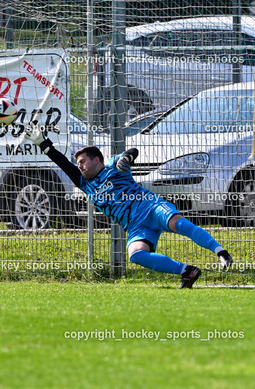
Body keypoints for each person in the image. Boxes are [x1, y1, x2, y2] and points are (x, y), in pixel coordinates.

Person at [24, 123, 233, 289]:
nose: (79, 166)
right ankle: (187, 271)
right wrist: (43, 142)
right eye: (78, 163)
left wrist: (126, 158)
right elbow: (63, 164)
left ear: (96, 160)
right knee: (136, 255)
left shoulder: (113, 167)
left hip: (150, 207)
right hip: (134, 226)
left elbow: (133, 151)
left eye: (82, 161)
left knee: (179, 224)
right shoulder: (85, 184)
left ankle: (221, 252)